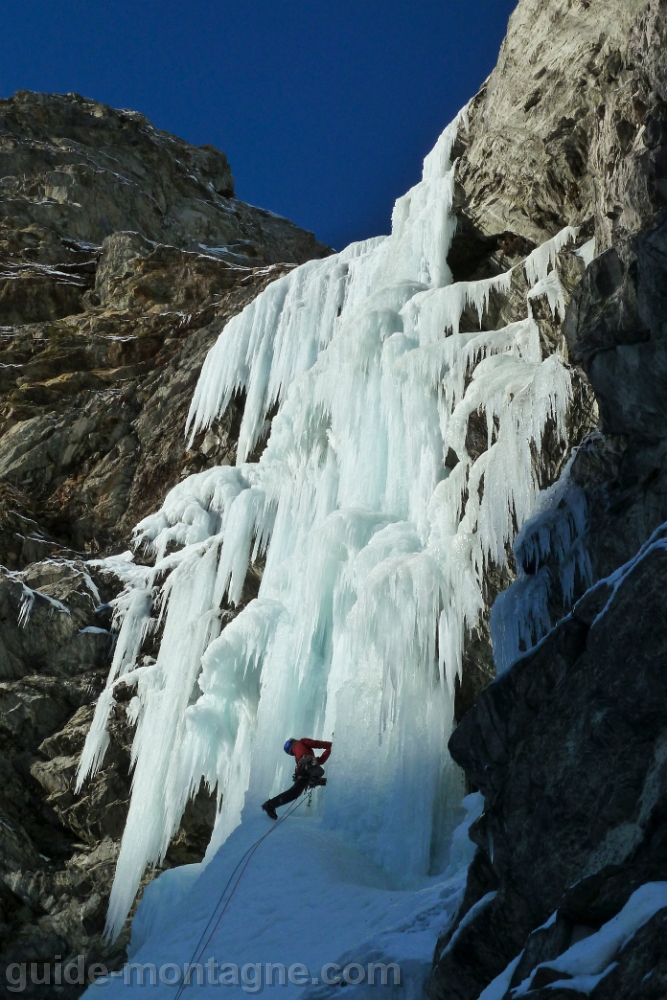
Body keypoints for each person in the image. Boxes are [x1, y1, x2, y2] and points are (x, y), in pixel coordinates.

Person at [261, 737, 332, 820]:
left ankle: (271, 804)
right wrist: (332, 745)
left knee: (294, 793)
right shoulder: (301, 742)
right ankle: (270, 804)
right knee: (317, 774)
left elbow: (319, 761)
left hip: (303, 769)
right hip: (307, 766)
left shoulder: (300, 753)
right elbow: (315, 744)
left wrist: (330, 748)